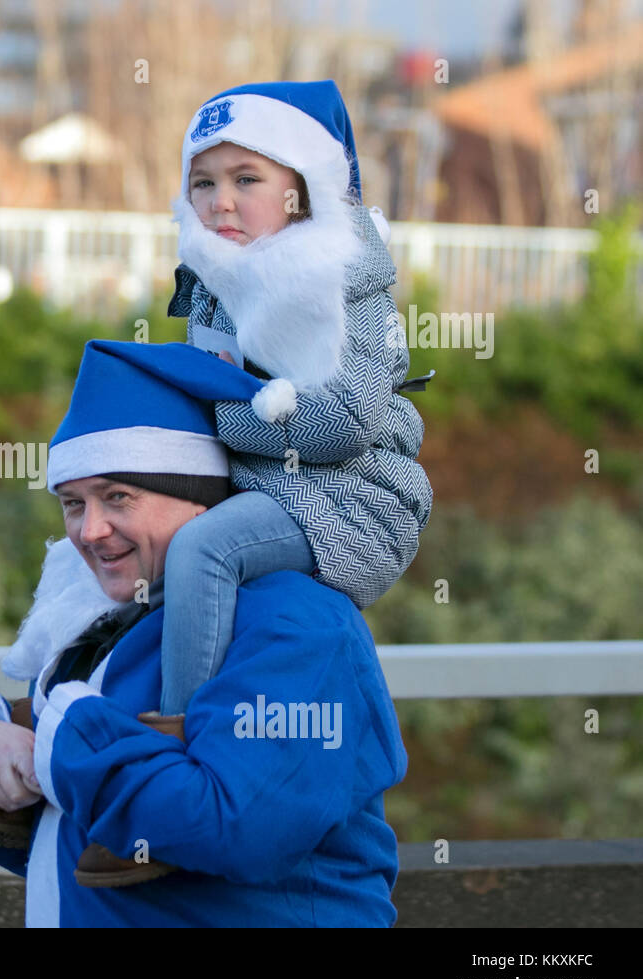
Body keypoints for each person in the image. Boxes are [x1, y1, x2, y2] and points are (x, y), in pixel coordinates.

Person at [0, 340, 409, 927]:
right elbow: (61, 824)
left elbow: (235, 826)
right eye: (73, 504)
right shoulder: (126, 623)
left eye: (118, 497)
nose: (91, 530)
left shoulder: (295, 622)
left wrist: (62, 734)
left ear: (201, 499)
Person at [159, 80, 433, 717]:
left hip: (352, 496)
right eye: (203, 183)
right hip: (256, 483)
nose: (220, 202)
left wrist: (225, 416)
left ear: (301, 190)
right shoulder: (213, 283)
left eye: (246, 180)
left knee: (202, 549)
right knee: (122, 532)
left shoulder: (344, 280)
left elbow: (347, 420)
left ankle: (175, 734)